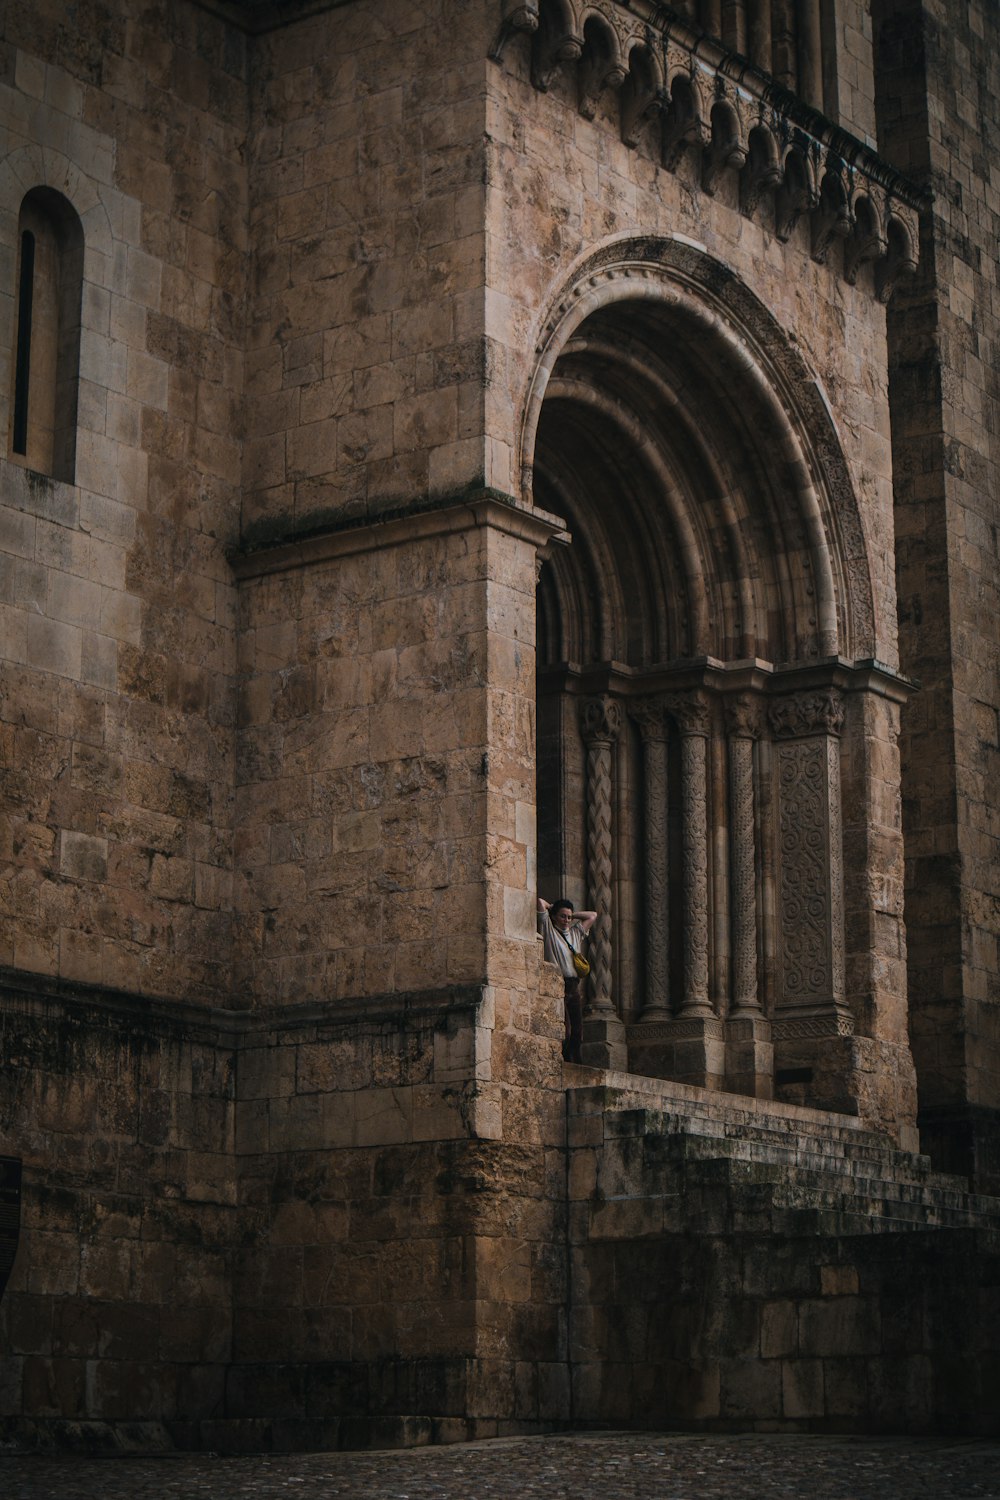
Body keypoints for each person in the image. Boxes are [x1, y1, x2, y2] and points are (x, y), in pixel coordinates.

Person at [537, 896, 597, 1064]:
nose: (566, 920)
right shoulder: (549, 929)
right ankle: (561, 1060)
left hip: (573, 985)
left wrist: (572, 913)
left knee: (578, 1030)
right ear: (555, 916)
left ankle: (575, 1062)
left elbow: (592, 915)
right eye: (563, 916)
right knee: (566, 1029)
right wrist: (552, 907)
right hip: (557, 982)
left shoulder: (575, 933)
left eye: (569, 917)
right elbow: (540, 902)